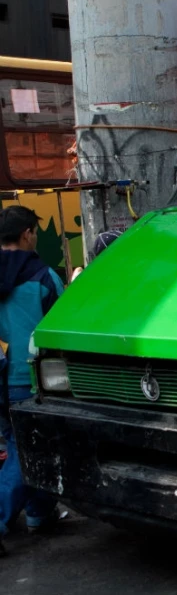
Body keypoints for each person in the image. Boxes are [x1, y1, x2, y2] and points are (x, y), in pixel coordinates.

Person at [0, 206, 65, 556]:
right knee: (29, 451)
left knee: (24, 446)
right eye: (35, 233)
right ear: (26, 233)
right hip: (30, 379)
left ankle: (41, 512)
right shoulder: (43, 277)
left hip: (0, 376)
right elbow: (60, 328)